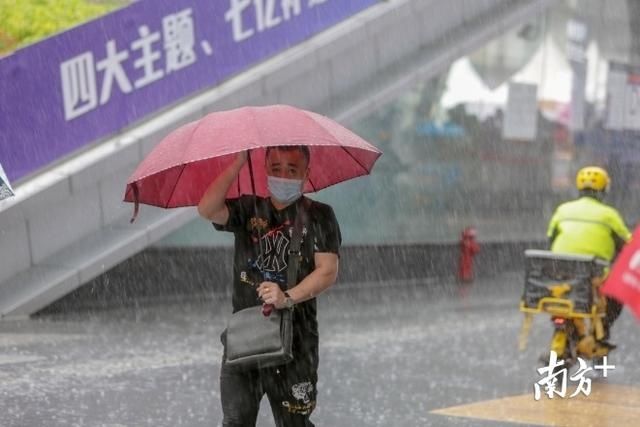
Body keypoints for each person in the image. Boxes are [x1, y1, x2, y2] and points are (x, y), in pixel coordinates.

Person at [197, 146, 341, 427]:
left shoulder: (320, 215)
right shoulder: (247, 209)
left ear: (306, 174)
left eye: (292, 170)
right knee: (236, 420)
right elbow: (207, 209)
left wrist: (287, 296)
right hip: (245, 337)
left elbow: (327, 271)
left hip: (296, 341)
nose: (283, 176)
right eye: (276, 169)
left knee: (294, 422)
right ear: (264, 169)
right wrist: (238, 163)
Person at [546, 166, 631, 346]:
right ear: (604, 190)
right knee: (615, 297)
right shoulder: (609, 215)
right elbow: (628, 246)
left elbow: (550, 238)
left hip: (561, 274)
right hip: (594, 276)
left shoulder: (562, 210)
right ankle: (601, 333)